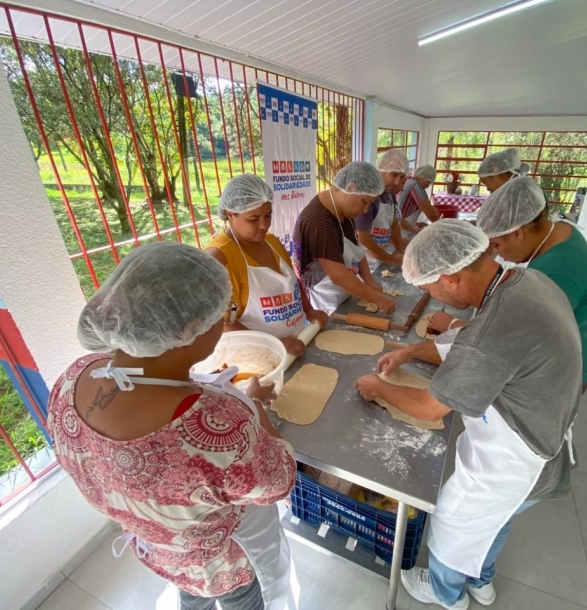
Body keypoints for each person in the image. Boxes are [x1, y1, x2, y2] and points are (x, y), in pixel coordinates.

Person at [48, 242, 298, 610]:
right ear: (192, 327)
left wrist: (204, 387)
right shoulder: (220, 426)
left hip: (160, 554)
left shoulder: (72, 379)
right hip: (221, 567)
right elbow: (279, 481)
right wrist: (253, 405)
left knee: (190, 600)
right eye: (222, 312)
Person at [355, 220, 581, 610]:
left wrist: (378, 388)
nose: (434, 299)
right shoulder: (523, 283)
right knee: (496, 520)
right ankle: (483, 581)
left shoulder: (496, 325)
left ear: (453, 278)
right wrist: (409, 352)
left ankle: (448, 595)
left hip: (517, 459)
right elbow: (471, 344)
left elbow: (431, 405)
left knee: (454, 523)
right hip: (548, 432)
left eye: (430, 289)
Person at [476, 177, 587, 391]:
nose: (496, 253)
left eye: (496, 245)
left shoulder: (558, 270)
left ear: (517, 233)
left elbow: (514, 340)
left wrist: (456, 328)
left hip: (558, 372)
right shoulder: (558, 232)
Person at [205, 174, 328, 358]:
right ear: (230, 214)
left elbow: (293, 283)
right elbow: (220, 324)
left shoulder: (271, 241)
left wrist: (309, 310)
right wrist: (274, 345)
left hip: (295, 345)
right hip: (256, 357)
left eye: (268, 216)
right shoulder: (219, 257)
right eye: (253, 219)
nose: (264, 225)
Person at [291, 161, 395, 314]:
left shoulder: (342, 211)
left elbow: (356, 250)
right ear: (350, 188)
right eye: (364, 202)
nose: (366, 210)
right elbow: (338, 276)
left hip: (343, 294)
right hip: (324, 303)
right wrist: (379, 299)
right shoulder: (319, 220)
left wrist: (369, 280)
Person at [355, 149, 409, 269]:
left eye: (402, 177)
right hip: (362, 264)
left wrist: (399, 247)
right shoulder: (368, 195)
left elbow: (394, 221)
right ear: (381, 169)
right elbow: (362, 237)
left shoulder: (390, 193)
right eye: (394, 174)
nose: (397, 182)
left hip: (381, 258)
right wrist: (389, 258)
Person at [398, 164, 440, 232]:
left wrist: (415, 224)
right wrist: (441, 226)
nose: (427, 186)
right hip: (402, 230)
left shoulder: (409, 180)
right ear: (422, 177)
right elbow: (432, 215)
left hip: (403, 224)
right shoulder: (416, 186)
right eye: (428, 182)